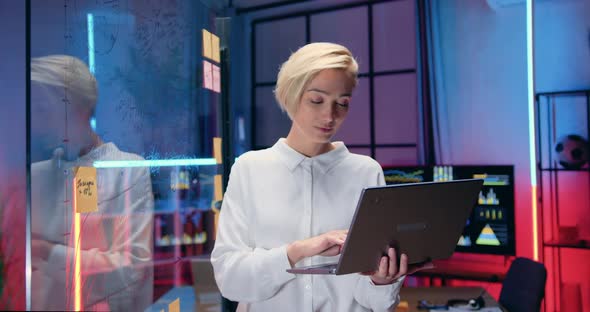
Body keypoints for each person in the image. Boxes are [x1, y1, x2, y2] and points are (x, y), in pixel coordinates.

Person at [211, 42, 431, 311]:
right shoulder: (250, 168)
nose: (329, 115)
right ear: (292, 94)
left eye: (342, 103)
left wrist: (381, 280)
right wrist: (298, 251)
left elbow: (373, 301)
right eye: (316, 100)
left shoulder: (365, 172)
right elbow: (230, 280)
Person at [1, 55, 154, 311]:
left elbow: (131, 270)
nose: (36, 123)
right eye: (33, 111)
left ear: (76, 106)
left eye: (42, 110)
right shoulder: (32, 177)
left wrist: (48, 252)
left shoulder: (126, 170)